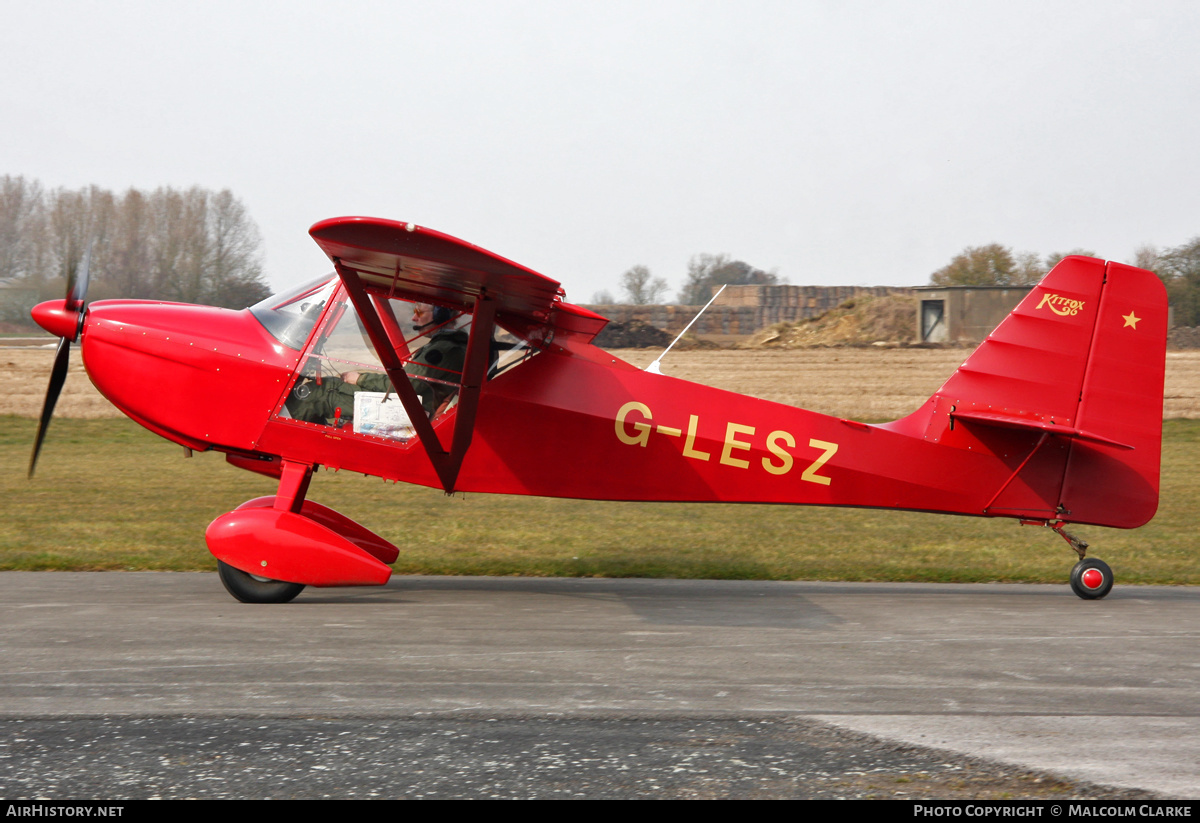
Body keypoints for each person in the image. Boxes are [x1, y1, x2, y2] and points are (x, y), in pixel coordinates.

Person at [287, 303, 469, 426]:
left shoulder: (440, 351)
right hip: (411, 410)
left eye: (419, 312)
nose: (414, 318)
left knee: (324, 391)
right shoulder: (446, 347)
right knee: (329, 387)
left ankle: (283, 434)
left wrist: (360, 378)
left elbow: (405, 386)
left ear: (440, 314)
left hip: (409, 417)